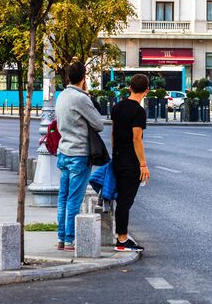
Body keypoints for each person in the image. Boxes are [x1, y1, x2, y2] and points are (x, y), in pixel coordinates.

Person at [55, 61, 103, 252]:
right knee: (74, 198)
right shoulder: (81, 98)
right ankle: (69, 240)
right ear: (83, 78)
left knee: (63, 197)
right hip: (79, 153)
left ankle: (61, 238)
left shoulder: (62, 96)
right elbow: (99, 124)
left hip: (63, 151)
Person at [111, 74, 150, 252]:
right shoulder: (139, 111)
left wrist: (115, 154)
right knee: (125, 201)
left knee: (121, 200)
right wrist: (143, 164)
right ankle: (122, 239)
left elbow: (113, 133)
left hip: (118, 158)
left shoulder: (117, 107)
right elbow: (137, 138)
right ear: (146, 91)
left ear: (130, 88)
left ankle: (121, 236)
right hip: (130, 162)